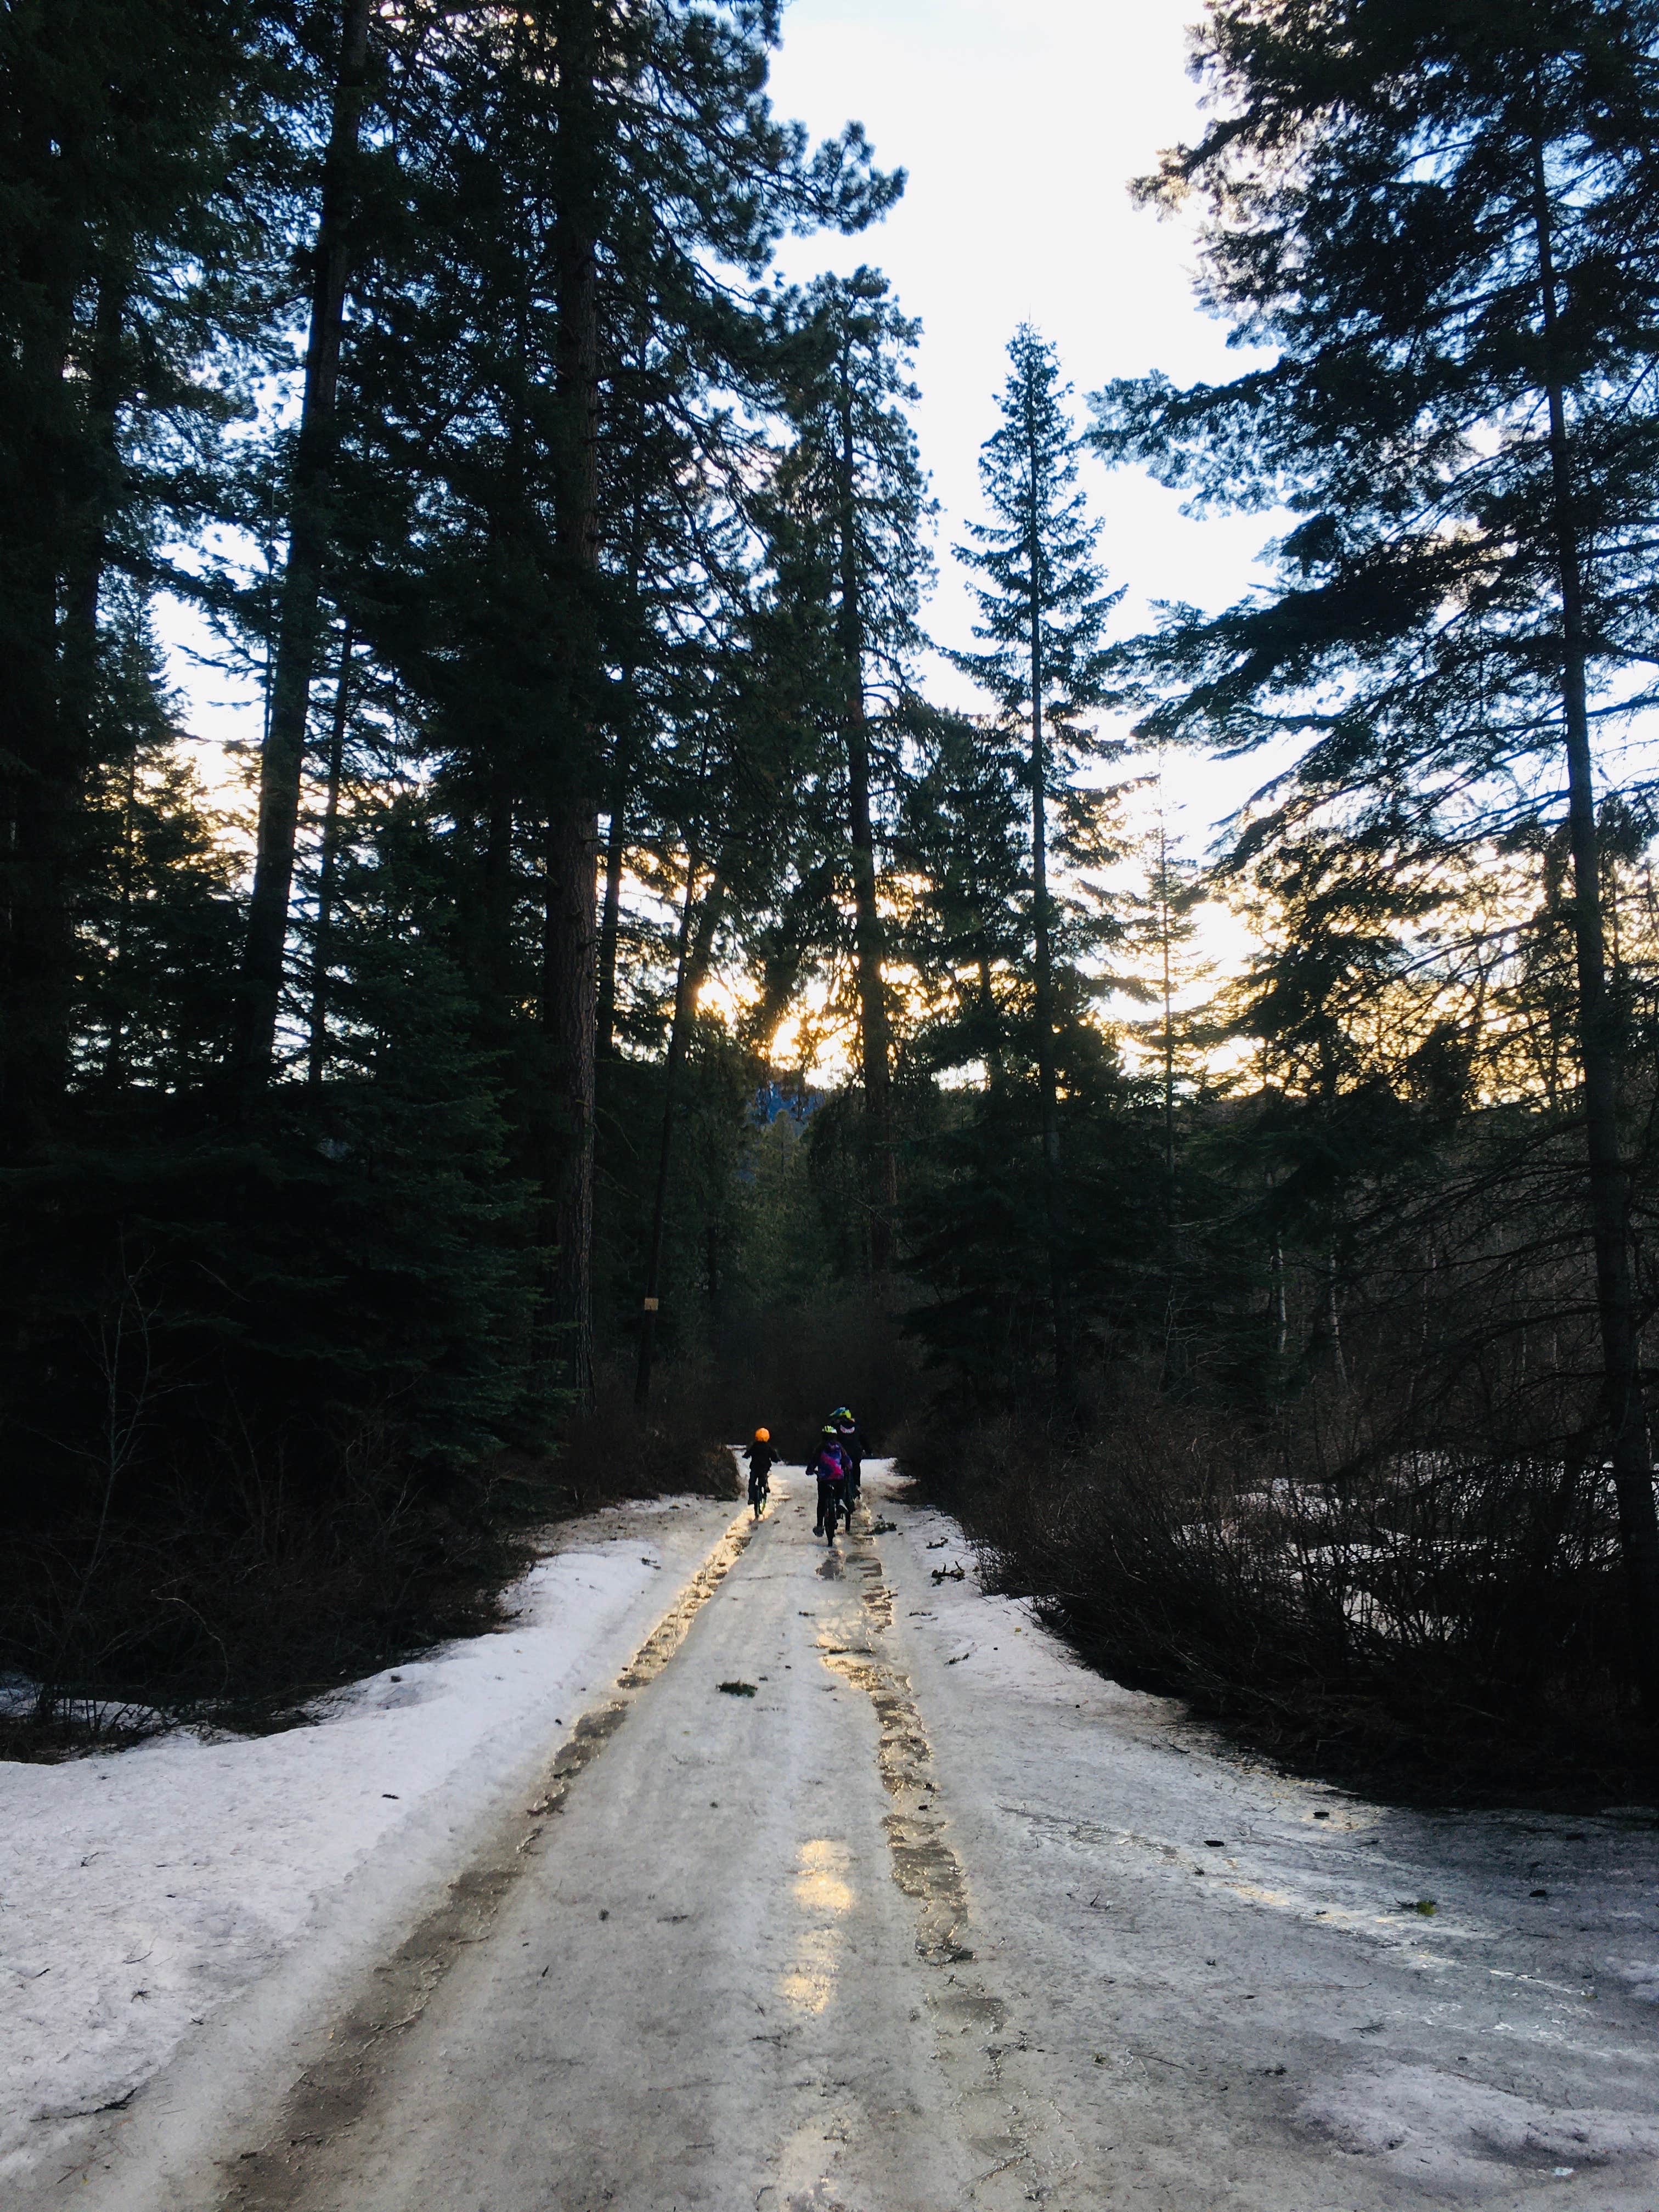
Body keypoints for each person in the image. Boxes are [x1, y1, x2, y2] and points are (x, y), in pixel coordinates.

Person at [805, 1426, 848, 1543]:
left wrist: (810, 1471)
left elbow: (813, 1462)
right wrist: (848, 1467)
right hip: (838, 1477)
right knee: (841, 1485)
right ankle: (840, 1500)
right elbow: (847, 1461)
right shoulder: (839, 1447)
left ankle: (820, 1525)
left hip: (824, 1478)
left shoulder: (820, 1447)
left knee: (822, 1501)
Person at [830, 1406, 868, 1508]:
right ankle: (856, 1486)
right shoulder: (856, 1426)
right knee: (856, 1468)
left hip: (841, 1456)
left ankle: (839, 1493)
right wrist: (869, 1451)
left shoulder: (835, 1427)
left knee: (839, 1473)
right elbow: (863, 1440)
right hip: (855, 1454)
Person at [742, 1428, 776, 1519]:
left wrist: (745, 1456)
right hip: (764, 1468)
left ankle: (751, 1498)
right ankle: (765, 1485)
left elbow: (748, 1453)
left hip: (755, 1467)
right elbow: (774, 1456)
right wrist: (777, 1459)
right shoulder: (768, 1447)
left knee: (752, 1482)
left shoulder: (754, 1446)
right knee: (764, 1477)